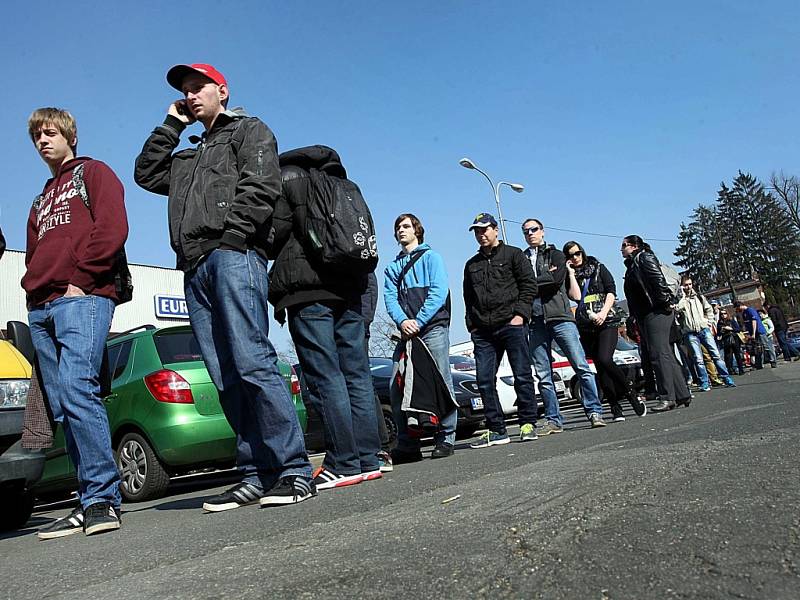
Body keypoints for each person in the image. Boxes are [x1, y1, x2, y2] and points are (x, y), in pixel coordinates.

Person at [134, 64, 314, 510]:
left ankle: (292, 469)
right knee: (224, 375)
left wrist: (234, 238)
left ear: (223, 91)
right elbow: (145, 172)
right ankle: (256, 472)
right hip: (193, 268)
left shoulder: (249, 131)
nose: (192, 96)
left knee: (253, 361)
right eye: (185, 92)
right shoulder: (188, 156)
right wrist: (172, 125)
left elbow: (261, 186)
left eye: (199, 88)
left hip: (233, 255)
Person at [23, 108, 127, 538]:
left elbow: (113, 226)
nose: (43, 141)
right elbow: (33, 253)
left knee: (79, 389)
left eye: (50, 133)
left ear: (71, 135)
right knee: (64, 406)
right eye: (37, 137)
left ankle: (103, 499)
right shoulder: (39, 198)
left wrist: (81, 282)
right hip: (41, 306)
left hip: (80, 298)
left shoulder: (94, 173)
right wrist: (32, 294)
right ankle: (86, 501)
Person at [269, 145, 382, 490]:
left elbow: (273, 238)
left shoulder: (288, 177)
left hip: (308, 291)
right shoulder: (347, 186)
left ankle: (343, 462)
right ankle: (369, 459)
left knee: (326, 376)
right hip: (349, 289)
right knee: (357, 375)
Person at [384, 213, 458, 462]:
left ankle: (446, 438)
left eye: (406, 226)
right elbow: (390, 300)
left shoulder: (431, 257)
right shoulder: (392, 268)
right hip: (407, 333)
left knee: (442, 381)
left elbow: (438, 292)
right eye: (398, 227)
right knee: (397, 385)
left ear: (417, 230)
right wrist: (403, 321)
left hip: (432, 328)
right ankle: (407, 444)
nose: (401, 230)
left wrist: (419, 320)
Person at [462, 213, 539, 447]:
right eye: (477, 231)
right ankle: (497, 430)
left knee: (522, 375)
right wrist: (472, 325)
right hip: (483, 331)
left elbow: (529, 285)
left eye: (484, 229)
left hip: (511, 325)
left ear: (495, 230)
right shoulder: (471, 265)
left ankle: (528, 423)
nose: (481, 234)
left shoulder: (514, 255)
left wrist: (520, 315)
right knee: (484, 380)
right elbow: (468, 297)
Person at [523, 221, 606, 431]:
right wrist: (538, 282)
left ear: (542, 232)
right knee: (543, 375)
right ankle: (553, 419)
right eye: (526, 231)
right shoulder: (522, 258)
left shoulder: (556, 255)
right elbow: (519, 286)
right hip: (535, 321)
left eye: (534, 230)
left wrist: (531, 283)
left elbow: (554, 280)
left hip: (560, 317)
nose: (530, 234)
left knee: (580, 365)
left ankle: (594, 411)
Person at [563, 241, 646, 421]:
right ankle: (614, 406)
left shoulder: (598, 267)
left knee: (605, 358)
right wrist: (570, 273)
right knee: (600, 367)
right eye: (570, 256)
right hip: (586, 324)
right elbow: (576, 297)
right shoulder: (570, 275)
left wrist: (603, 312)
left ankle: (630, 393)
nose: (575, 258)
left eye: (577, 253)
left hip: (607, 320)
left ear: (582, 252)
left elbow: (611, 290)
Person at [622, 235, 692, 412]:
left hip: (655, 310)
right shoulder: (633, 263)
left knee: (658, 354)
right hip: (647, 313)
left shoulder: (644, 257)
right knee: (665, 352)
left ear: (634, 245)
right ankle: (682, 394)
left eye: (624, 245)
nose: (621, 249)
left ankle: (667, 397)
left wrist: (664, 301)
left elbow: (657, 279)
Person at [675, 275, 736, 390]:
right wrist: (683, 296)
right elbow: (677, 309)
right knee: (698, 359)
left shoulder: (699, 297)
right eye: (686, 285)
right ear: (682, 286)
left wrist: (708, 322)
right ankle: (704, 382)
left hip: (704, 330)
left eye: (690, 284)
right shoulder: (680, 300)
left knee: (716, 355)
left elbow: (709, 310)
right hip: (690, 332)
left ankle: (726, 377)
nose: (688, 287)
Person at [734, 301, 777, 369]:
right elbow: (747, 324)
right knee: (758, 349)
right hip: (752, 333)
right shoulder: (744, 313)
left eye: (737, 308)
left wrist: (753, 333)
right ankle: (759, 364)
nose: (737, 310)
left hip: (759, 332)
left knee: (766, 346)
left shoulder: (750, 310)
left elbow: (754, 321)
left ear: (740, 306)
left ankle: (773, 361)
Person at [717, 309, 746, 375]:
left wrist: (731, 329)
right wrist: (721, 331)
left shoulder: (731, 320)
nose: (723, 315)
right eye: (721, 314)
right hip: (726, 339)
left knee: (737, 355)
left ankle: (741, 369)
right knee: (728, 356)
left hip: (734, 338)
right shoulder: (720, 322)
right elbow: (718, 333)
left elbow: (738, 329)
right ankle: (730, 369)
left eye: (725, 313)